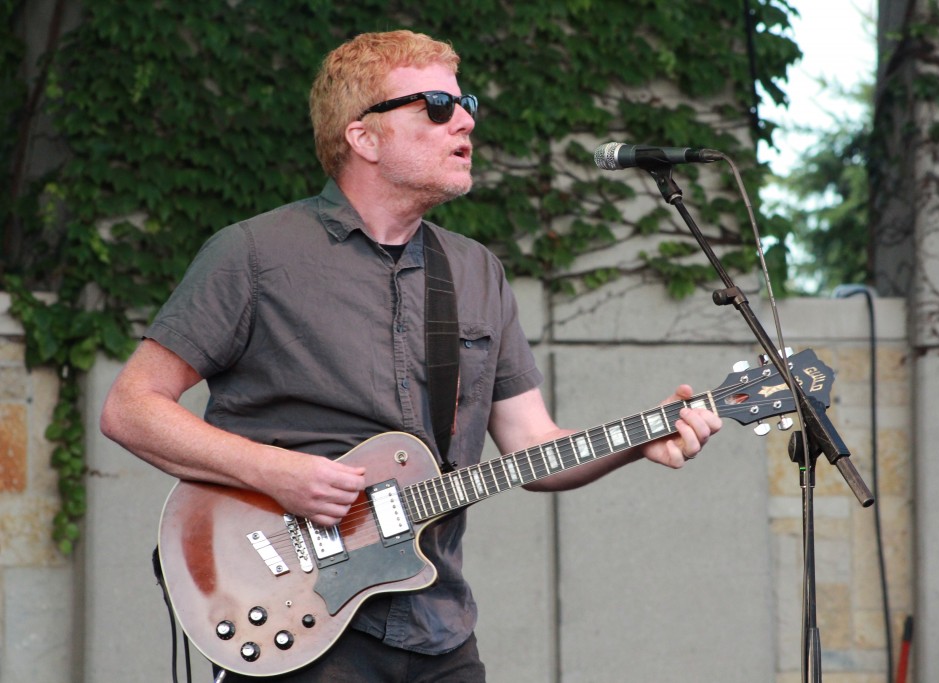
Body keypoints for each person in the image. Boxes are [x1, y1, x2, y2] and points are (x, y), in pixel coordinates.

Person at [100, 29, 723, 682]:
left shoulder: (476, 272)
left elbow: (534, 444)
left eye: (466, 103)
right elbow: (130, 407)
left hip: (438, 627)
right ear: (362, 136)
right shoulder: (254, 255)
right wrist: (276, 472)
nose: (465, 119)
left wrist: (642, 436)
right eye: (434, 105)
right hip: (300, 620)